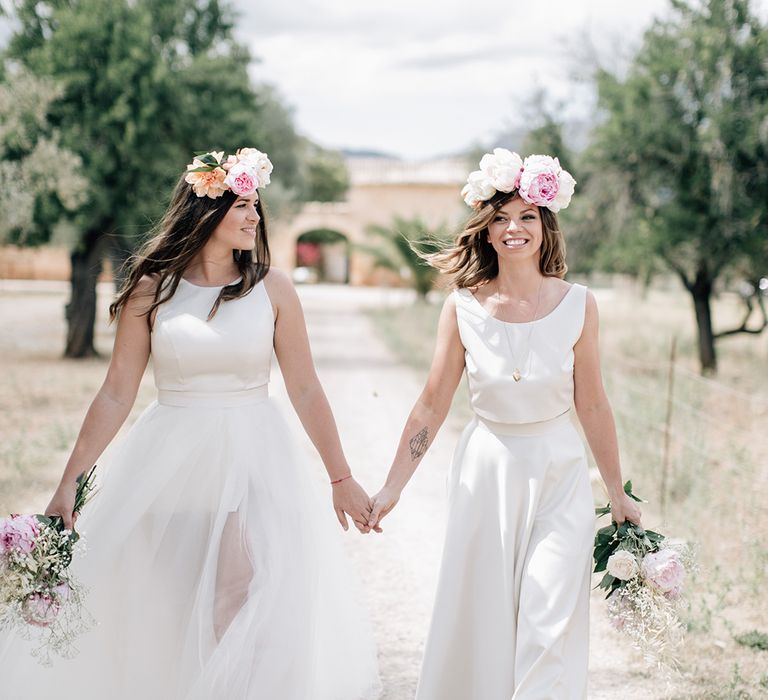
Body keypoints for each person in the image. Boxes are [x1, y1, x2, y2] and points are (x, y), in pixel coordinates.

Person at [0, 148, 382, 700]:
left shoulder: (272, 288)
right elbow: (116, 391)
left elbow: (304, 387)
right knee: (177, 607)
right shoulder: (152, 289)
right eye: (244, 207)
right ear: (207, 211)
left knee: (238, 598)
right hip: (171, 461)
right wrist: (69, 482)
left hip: (253, 459)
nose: (255, 218)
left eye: (257, 207)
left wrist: (340, 478)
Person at [368, 150, 643, 699]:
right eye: (500, 218)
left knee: (549, 612)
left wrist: (617, 492)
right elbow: (430, 405)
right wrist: (393, 486)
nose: (513, 228)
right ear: (485, 231)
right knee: (485, 622)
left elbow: (593, 404)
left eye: (526, 217)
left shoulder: (579, 305)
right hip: (487, 471)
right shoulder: (462, 308)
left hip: (558, 472)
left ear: (545, 227)